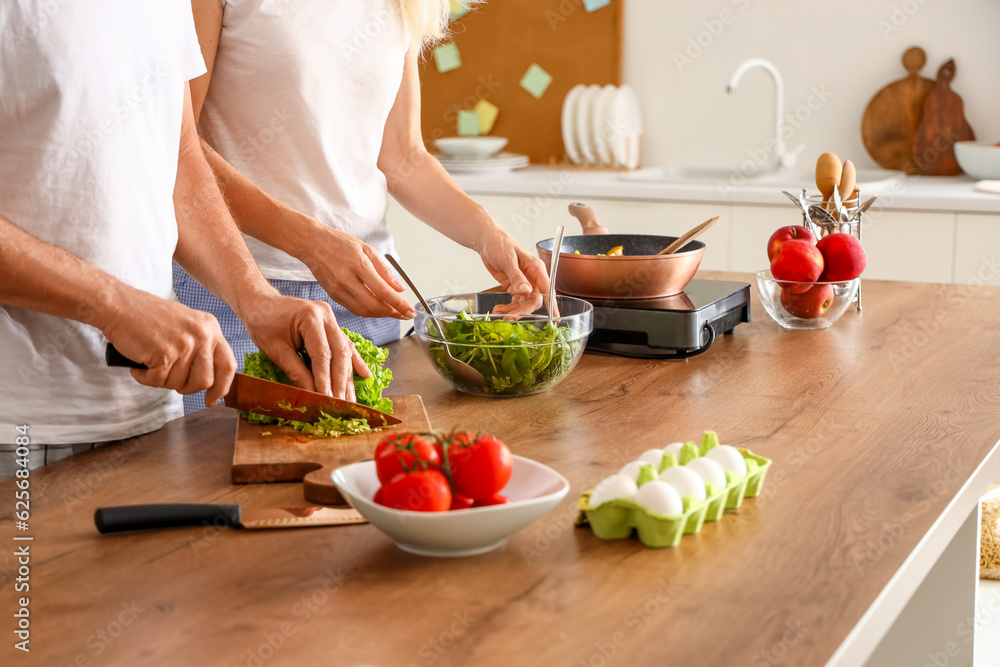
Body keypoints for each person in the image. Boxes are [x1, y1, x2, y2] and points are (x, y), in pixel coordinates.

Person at [0, 0, 366, 479]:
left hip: (151, 412)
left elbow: (178, 157)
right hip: (20, 427)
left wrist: (255, 298)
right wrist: (112, 305)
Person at [176, 0, 549, 413]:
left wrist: (487, 234)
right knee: (227, 470)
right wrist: (311, 244)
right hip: (235, 298)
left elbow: (403, 156)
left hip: (368, 303)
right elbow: (176, 147)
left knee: (367, 470)